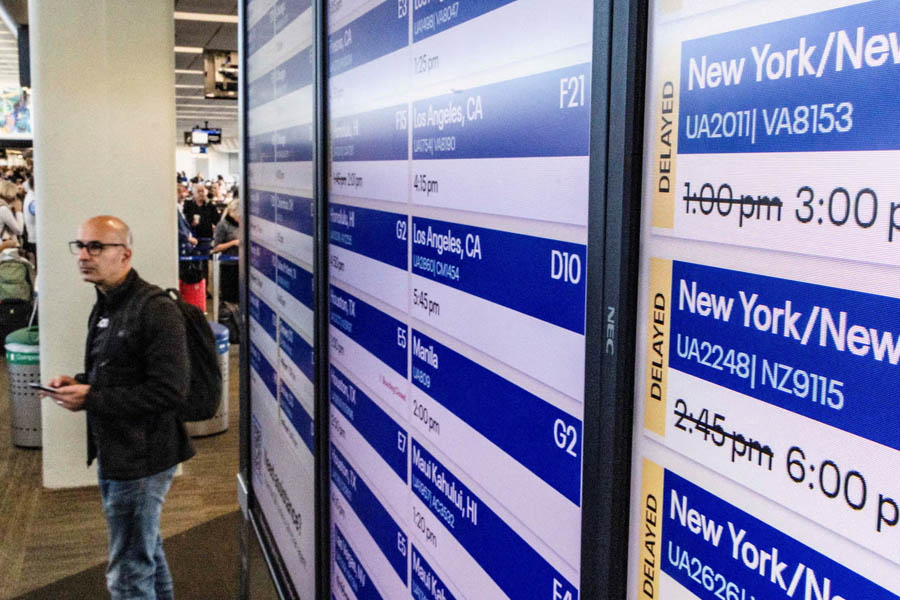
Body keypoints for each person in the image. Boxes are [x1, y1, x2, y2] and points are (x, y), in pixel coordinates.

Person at [45, 216, 194, 600]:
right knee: (145, 553)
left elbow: (169, 391)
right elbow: (118, 371)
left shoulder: (155, 309)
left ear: (124, 254)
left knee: (128, 571)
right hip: (118, 450)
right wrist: (81, 383)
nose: (83, 255)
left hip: (142, 457)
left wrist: (91, 398)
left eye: (96, 246)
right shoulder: (108, 302)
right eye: (79, 246)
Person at [212, 199, 240, 303]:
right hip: (228, 266)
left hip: (241, 265)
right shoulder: (222, 225)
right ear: (232, 213)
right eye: (238, 216)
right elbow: (216, 247)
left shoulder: (243, 224)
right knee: (230, 298)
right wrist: (233, 243)